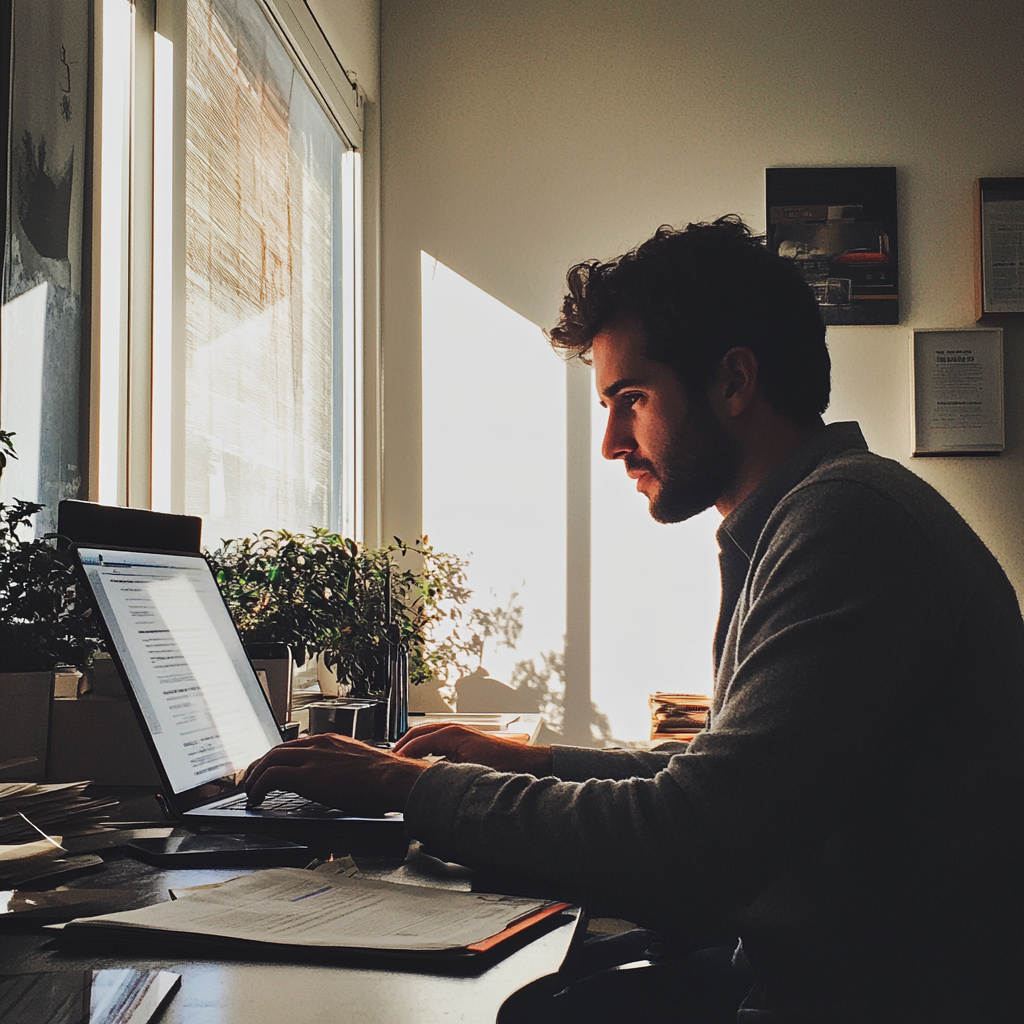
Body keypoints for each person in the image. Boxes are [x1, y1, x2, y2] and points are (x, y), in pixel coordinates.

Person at [245, 217, 1023, 1023]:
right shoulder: (815, 513)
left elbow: (695, 841)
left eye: (632, 400)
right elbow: (718, 787)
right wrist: (529, 760)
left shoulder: (847, 525)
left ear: (733, 382)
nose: (614, 442)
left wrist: (410, 786)